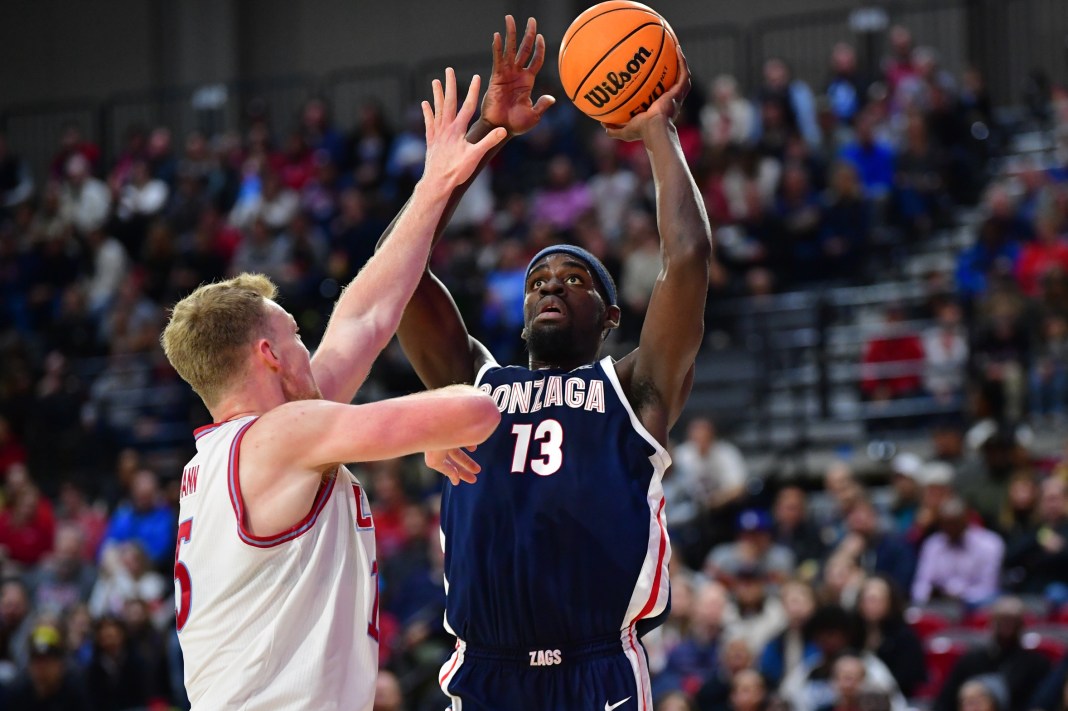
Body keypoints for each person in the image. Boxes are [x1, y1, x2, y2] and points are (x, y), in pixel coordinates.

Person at [383, 16, 712, 710]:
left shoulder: (633, 387)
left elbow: (686, 261)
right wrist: (483, 139)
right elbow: (397, 275)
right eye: (537, 281)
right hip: (484, 671)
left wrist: (657, 130)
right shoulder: (472, 383)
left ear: (611, 316)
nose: (551, 285)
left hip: (597, 671)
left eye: (574, 278)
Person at [160, 68, 505, 710]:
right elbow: (478, 407)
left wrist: (434, 186)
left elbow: (367, 319)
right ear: (268, 354)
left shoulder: (224, 457)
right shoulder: (285, 437)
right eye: (294, 333)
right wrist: (432, 429)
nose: (306, 346)